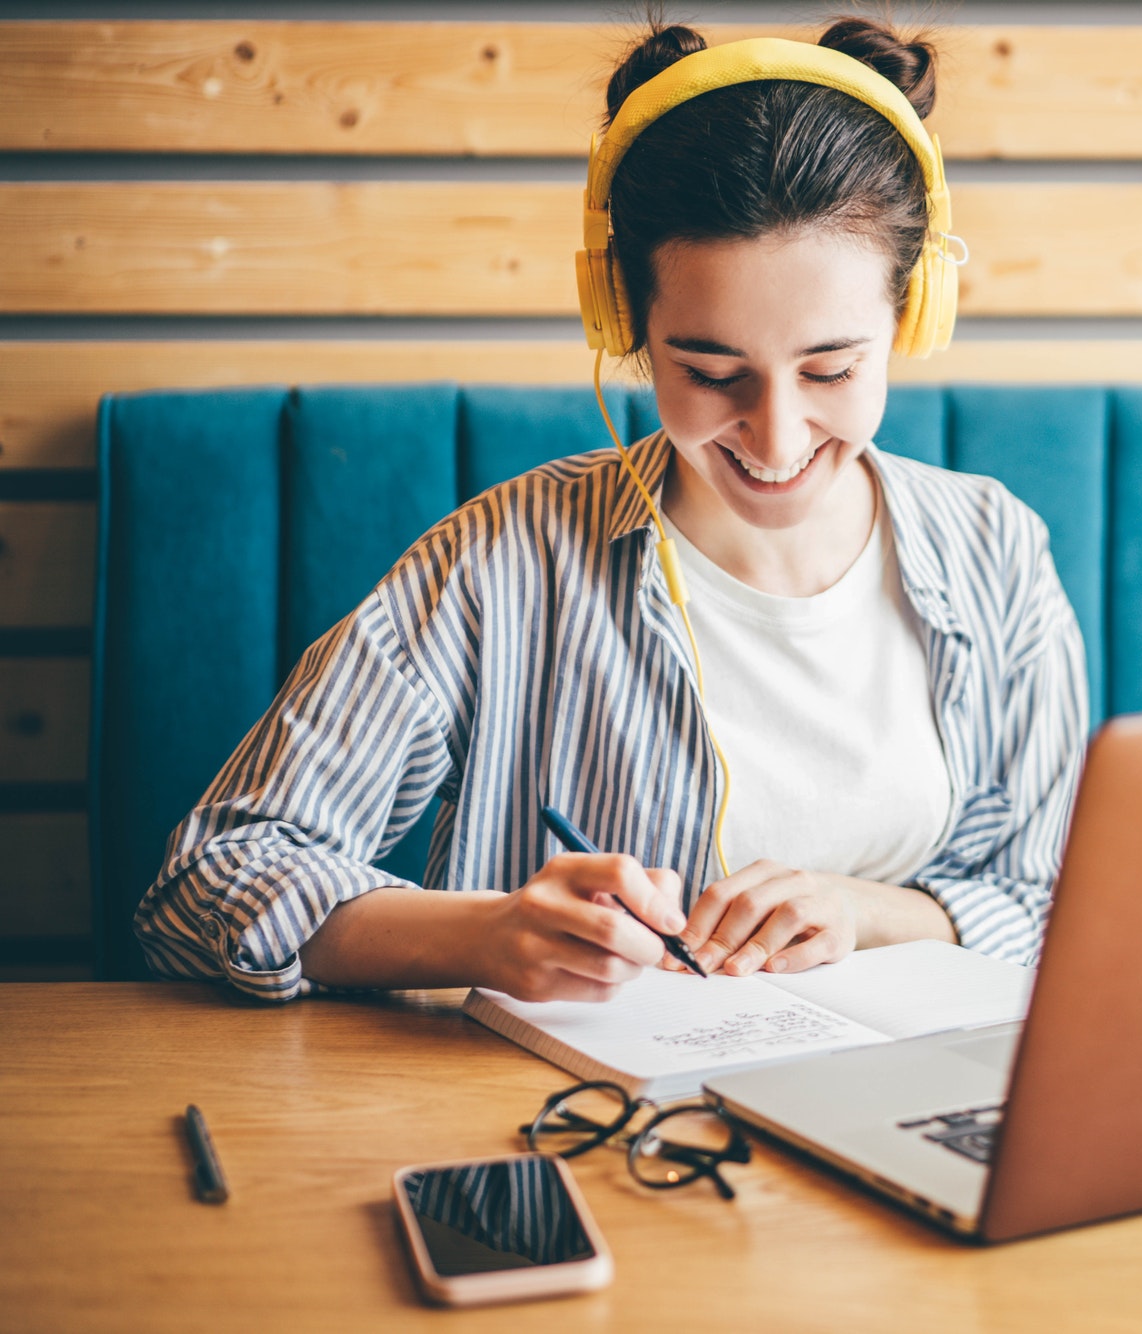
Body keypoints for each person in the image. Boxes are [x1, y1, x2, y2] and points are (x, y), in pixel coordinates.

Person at [130, 17, 1089, 1005]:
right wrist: (481, 933)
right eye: (710, 372)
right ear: (621, 321)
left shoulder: (995, 549)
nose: (776, 435)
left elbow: (1050, 900)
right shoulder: (502, 562)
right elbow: (212, 878)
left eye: (831, 368)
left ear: (913, 314)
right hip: (573, 1128)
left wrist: (864, 911)